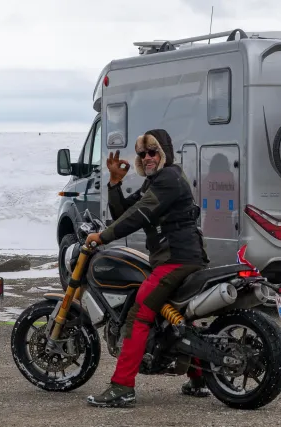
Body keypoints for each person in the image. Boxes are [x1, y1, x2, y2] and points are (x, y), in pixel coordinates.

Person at [84, 129, 210, 408]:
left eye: (152, 152)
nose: (147, 157)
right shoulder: (158, 181)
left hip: (176, 259)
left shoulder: (168, 178)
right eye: (142, 154)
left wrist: (102, 237)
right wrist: (115, 184)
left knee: (139, 313)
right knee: (180, 317)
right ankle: (200, 378)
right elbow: (126, 213)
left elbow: (139, 215)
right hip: (183, 257)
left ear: (164, 152)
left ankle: (122, 387)